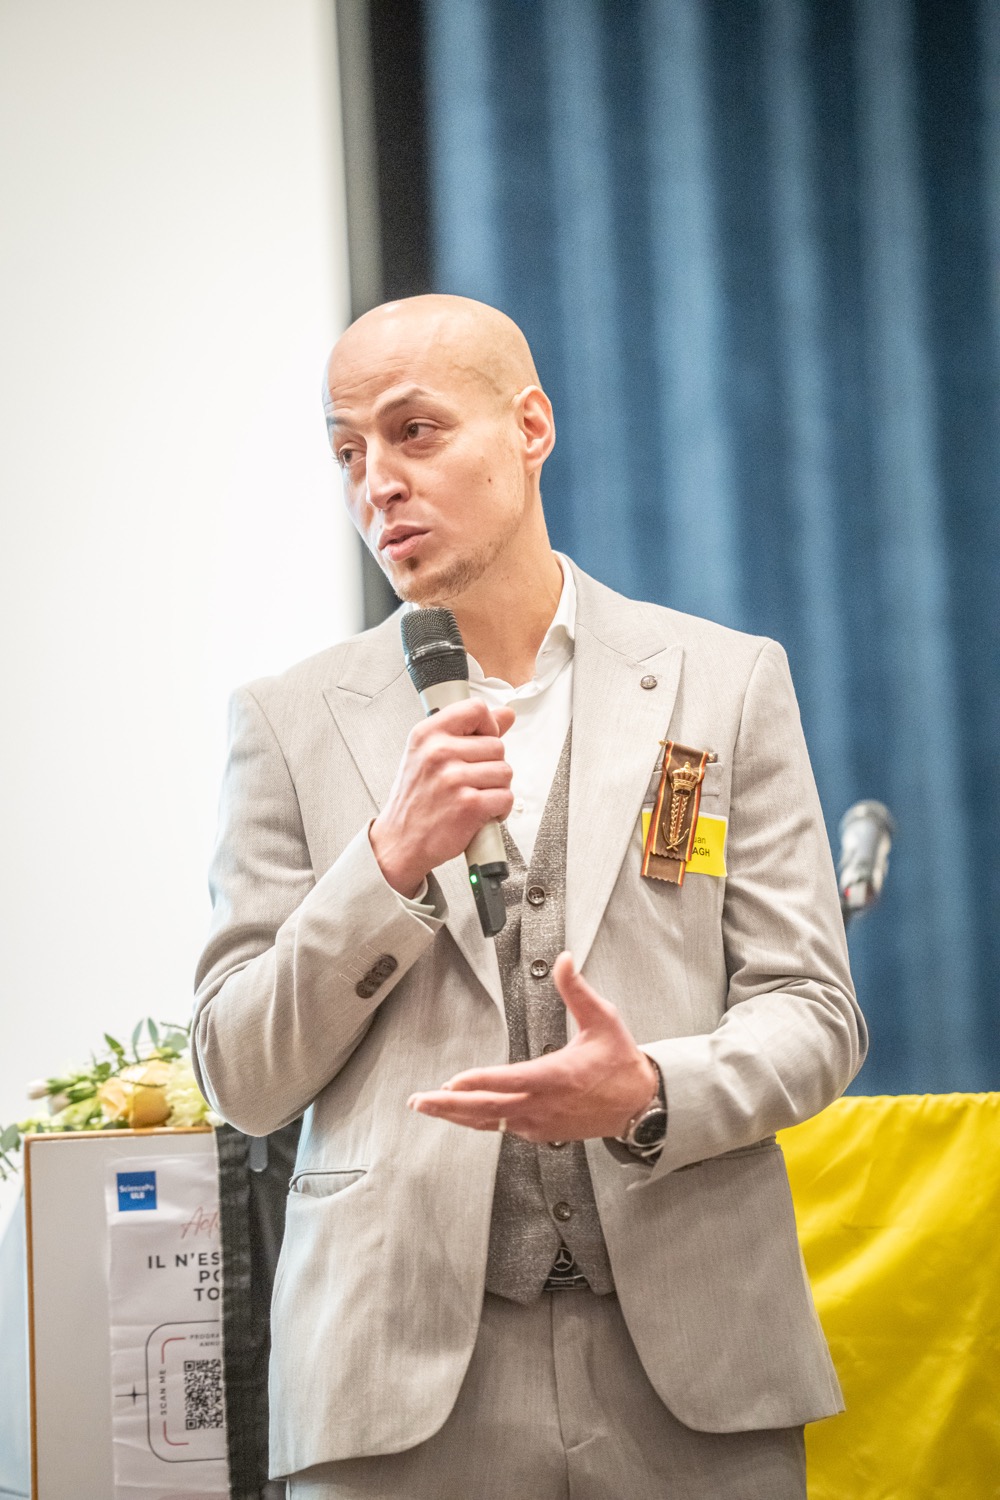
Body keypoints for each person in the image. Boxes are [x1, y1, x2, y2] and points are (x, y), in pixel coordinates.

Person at [192, 294, 866, 1500]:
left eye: (414, 431)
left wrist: (650, 1088)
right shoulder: (286, 722)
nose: (377, 482)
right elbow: (239, 1076)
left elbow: (812, 1012)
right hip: (392, 1387)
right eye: (347, 452)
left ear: (530, 427)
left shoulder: (720, 683)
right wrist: (387, 863)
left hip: (699, 1366)